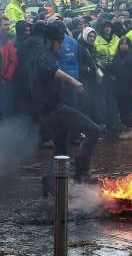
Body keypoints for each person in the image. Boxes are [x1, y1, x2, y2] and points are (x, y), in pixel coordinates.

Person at [16, 22, 103, 182]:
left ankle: (49, 182)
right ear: (49, 41)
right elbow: (51, 70)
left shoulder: (40, 53)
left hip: (47, 111)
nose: (61, 47)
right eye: (59, 43)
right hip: (55, 110)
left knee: (61, 148)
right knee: (95, 130)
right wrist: (74, 82)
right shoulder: (44, 56)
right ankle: (82, 173)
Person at [112, 36, 132, 139]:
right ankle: (124, 127)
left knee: (128, 109)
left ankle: (129, 129)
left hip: (129, 87)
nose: (123, 46)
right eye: (122, 44)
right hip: (119, 87)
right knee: (122, 108)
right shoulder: (117, 55)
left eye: (125, 44)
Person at [95, 20, 120, 131]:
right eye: (105, 27)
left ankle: (113, 122)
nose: (107, 28)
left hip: (114, 73)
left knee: (113, 99)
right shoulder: (97, 40)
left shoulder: (117, 39)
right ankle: (102, 122)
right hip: (101, 72)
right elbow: (94, 55)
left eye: (109, 26)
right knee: (101, 98)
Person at [78, 27, 103, 124]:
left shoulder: (91, 46)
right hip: (86, 78)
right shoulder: (81, 47)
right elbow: (79, 63)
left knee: (94, 100)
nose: (92, 38)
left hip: (93, 77)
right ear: (85, 36)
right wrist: (88, 69)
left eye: (93, 36)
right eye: (90, 36)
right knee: (87, 101)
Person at [0, 16, 18, 119]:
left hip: (3, 80)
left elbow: (13, 61)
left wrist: (7, 77)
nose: (8, 27)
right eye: (5, 25)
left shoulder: (8, 42)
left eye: (9, 24)